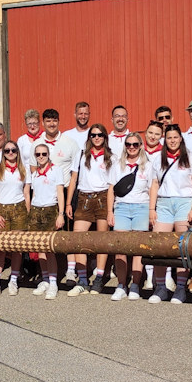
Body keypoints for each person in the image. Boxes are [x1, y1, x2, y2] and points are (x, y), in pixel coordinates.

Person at [148, 124, 192, 303]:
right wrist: (152, 208)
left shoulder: (190, 158)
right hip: (164, 203)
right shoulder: (158, 158)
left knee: (181, 247)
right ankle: (161, 287)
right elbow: (154, 185)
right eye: (169, 138)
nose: (172, 141)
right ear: (165, 139)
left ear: (181, 138)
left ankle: (180, 287)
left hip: (184, 202)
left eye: (175, 137)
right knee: (159, 245)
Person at [65, 124, 113, 296]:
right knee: (78, 240)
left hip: (103, 197)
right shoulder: (81, 154)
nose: (97, 138)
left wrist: (110, 209)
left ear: (105, 137)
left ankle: (99, 277)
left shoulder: (110, 156)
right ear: (89, 138)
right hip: (84, 197)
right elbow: (74, 179)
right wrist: (68, 203)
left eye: (100, 135)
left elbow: (112, 184)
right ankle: (83, 279)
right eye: (93, 135)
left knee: (101, 240)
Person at [106, 132, 153, 301]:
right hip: (122, 207)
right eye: (128, 144)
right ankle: (121, 284)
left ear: (140, 146)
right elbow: (111, 189)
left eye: (135, 144)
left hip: (141, 206)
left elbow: (152, 188)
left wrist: (151, 210)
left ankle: (135, 284)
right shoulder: (118, 165)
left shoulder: (147, 165)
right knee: (120, 248)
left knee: (138, 248)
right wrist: (110, 212)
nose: (131, 147)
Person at [0, 141, 31, 298]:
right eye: (7, 150)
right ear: (3, 153)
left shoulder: (24, 169)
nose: (10, 153)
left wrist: (28, 213)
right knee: (0, 247)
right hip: (2, 209)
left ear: (17, 151)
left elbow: (26, 194)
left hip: (19, 208)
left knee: (17, 247)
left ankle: (13, 279)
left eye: (13, 150)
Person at [28, 143, 65, 300]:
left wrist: (60, 214)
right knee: (39, 248)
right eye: (38, 154)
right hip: (36, 211)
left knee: (49, 249)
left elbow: (60, 192)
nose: (41, 157)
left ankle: (53, 282)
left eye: (44, 154)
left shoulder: (56, 170)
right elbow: (33, 193)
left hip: (50, 210)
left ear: (48, 154)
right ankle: (44, 279)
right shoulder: (34, 173)